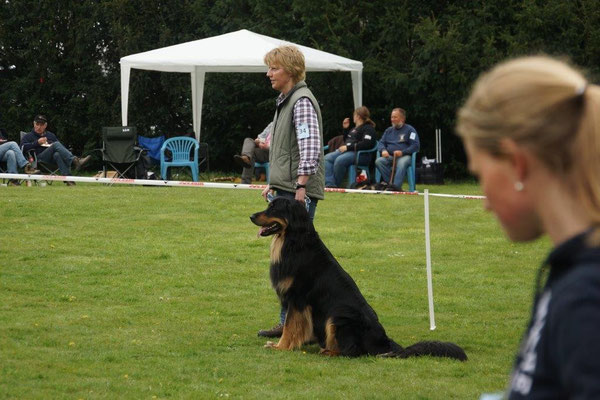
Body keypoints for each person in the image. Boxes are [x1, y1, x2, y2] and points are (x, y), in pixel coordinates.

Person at [456, 56, 600, 399]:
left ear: (517, 163)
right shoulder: (573, 271)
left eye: (480, 175)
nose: (486, 202)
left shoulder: (586, 300)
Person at [258, 44, 325, 338]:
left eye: (274, 68)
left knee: (297, 264)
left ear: (291, 71)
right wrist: (274, 182)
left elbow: (309, 148)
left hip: (298, 192)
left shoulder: (302, 101)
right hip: (284, 188)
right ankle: (290, 324)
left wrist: (301, 186)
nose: (268, 74)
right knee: (287, 261)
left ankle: (296, 327)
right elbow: (284, 148)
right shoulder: (285, 100)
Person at [20, 115, 91, 186]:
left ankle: (69, 180)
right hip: (37, 160)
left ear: (45, 125)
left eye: (41, 125)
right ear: (34, 124)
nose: (39, 127)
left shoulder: (50, 135)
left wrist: (50, 144)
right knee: (56, 144)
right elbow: (22, 148)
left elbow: (61, 148)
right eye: (37, 124)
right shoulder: (28, 136)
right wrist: (37, 143)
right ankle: (75, 161)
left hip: (52, 161)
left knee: (57, 154)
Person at [324, 107, 376, 188]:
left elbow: (367, 144)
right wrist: (345, 129)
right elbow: (347, 140)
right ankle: (330, 184)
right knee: (327, 158)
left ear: (358, 116)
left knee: (340, 160)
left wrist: (348, 148)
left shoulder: (368, 128)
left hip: (360, 155)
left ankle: (334, 186)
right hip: (347, 152)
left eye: (354, 115)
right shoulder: (353, 129)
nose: (353, 117)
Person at [375, 108, 420, 190]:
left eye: (395, 117)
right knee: (379, 161)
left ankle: (395, 187)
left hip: (405, 156)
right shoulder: (388, 131)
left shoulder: (410, 130)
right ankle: (391, 185)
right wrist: (383, 150)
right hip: (390, 156)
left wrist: (402, 152)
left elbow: (415, 146)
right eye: (392, 117)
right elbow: (381, 143)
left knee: (402, 163)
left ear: (402, 119)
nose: (392, 119)